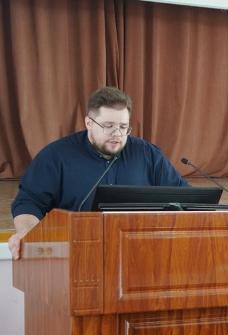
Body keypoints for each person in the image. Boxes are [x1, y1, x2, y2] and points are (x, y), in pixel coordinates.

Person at [8, 86, 188, 259]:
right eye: (108, 126)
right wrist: (27, 234)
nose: (117, 134)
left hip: (139, 252)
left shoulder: (148, 155)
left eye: (123, 127)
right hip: (76, 253)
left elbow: (184, 197)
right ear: (89, 123)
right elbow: (28, 203)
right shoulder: (56, 156)